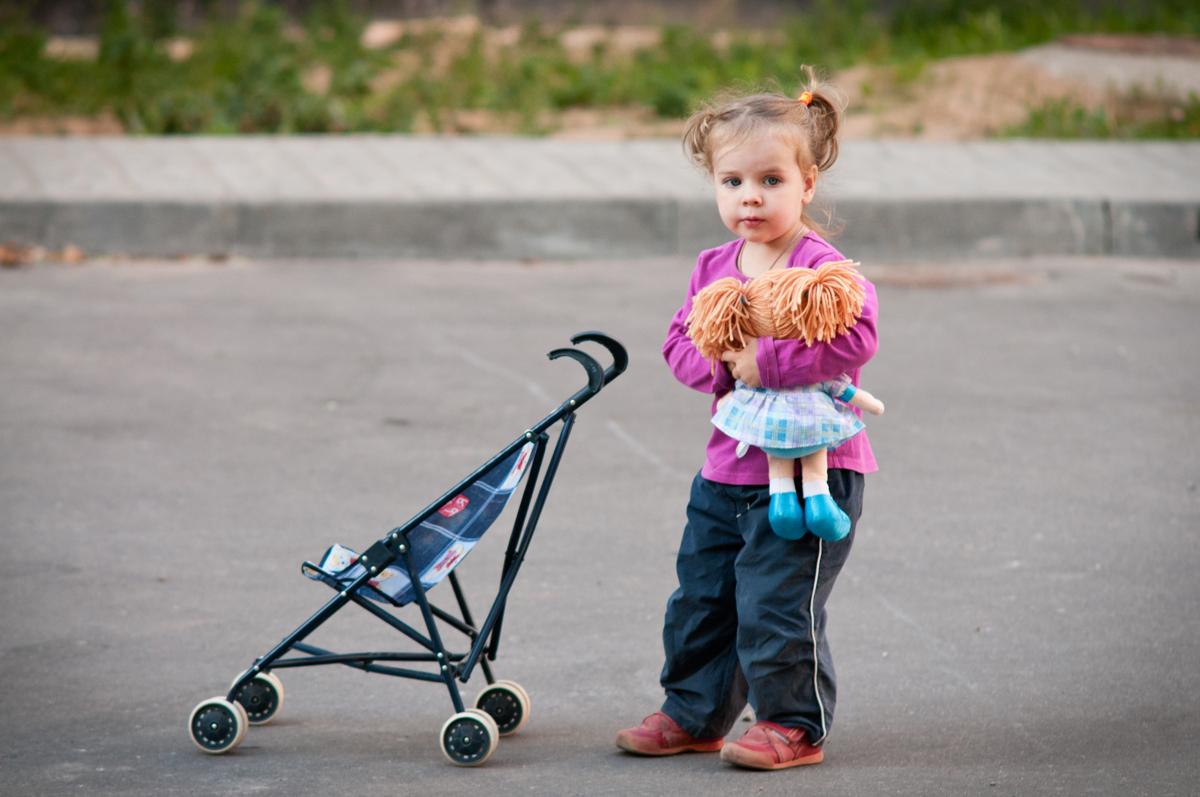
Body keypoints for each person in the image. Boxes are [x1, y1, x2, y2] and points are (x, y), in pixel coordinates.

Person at [615, 70, 879, 771]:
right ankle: (695, 712)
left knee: (775, 603)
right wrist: (724, 365)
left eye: (770, 180)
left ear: (807, 184)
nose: (750, 197)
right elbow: (679, 342)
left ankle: (793, 724)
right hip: (727, 467)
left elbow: (857, 338)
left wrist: (769, 360)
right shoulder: (713, 265)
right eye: (732, 182)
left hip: (813, 474)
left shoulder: (823, 268)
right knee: (703, 597)